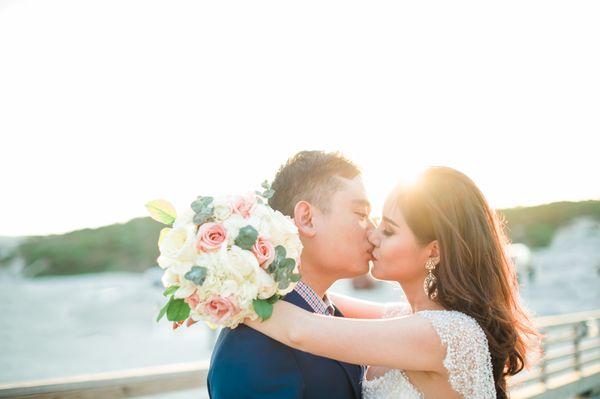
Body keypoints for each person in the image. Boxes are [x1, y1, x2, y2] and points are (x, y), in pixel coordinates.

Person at [246, 166, 540, 399]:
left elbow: (300, 330)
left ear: (433, 251)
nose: (372, 235)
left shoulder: (448, 333)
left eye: (388, 230)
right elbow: (314, 297)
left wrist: (222, 287)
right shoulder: (407, 319)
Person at [207, 150, 375, 399]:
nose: (372, 231)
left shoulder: (327, 312)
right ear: (307, 218)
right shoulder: (252, 349)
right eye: (361, 215)